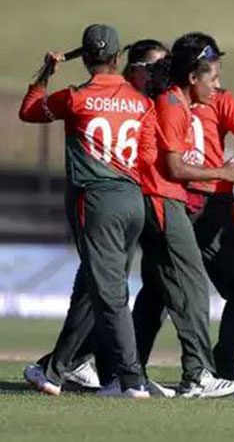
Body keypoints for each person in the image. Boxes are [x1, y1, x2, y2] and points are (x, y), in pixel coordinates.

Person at [20, 24, 156, 398]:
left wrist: (45, 73)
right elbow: (147, 157)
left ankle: (131, 381)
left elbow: (29, 111)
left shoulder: (76, 98)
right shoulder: (142, 103)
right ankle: (53, 371)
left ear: (86, 59)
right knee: (91, 286)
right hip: (132, 200)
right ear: (116, 58)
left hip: (97, 200)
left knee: (109, 292)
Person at [135, 33, 234, 398]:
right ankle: (196, 376)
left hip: (173, 202)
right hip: (166, 202)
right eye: (213, 77)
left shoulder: (180, 103)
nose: (218, 85)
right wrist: (225, 173)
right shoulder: (173, 105)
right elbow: (174, 167)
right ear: (193, 77)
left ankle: (122, 371)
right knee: (187, 289)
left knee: (166, 291)